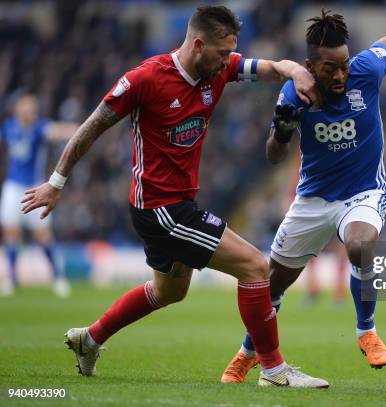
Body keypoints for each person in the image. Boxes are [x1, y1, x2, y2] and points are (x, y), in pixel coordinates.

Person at [21, 6, 329, 388]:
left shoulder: (220, 67)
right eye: (221, 53)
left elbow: (268, 67)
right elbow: (92, 127)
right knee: (254, 266)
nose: (226, 62)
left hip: (175, 204)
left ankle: (91, 338)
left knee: (170, 291)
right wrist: (57, 181)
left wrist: (296, 70)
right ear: (198, 44)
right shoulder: (146, 79)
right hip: (161, 209)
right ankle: (273, 370)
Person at [221, 9, 386, 383]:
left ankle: (367, 332)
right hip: (312, 199)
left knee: (360, 244)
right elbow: (273, 155)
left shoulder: (366, 70)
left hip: (363, 191)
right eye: (330, 68)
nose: (340, 75)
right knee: (272, 283)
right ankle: (248, 354)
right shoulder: (295, 92)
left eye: (344, 65)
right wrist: (281, 132)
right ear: (311, 65)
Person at [1, 94, 77, 297]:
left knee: (42, 235)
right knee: (11, 233)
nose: (27, 112)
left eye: (31, 109)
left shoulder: (39, 128)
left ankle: (58, 277)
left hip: (35, 187)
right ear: (18, 110)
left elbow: (56, 131)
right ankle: (11, 278)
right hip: (12, 186)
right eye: (24, 108)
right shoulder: (8, 127)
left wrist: (78, 130)